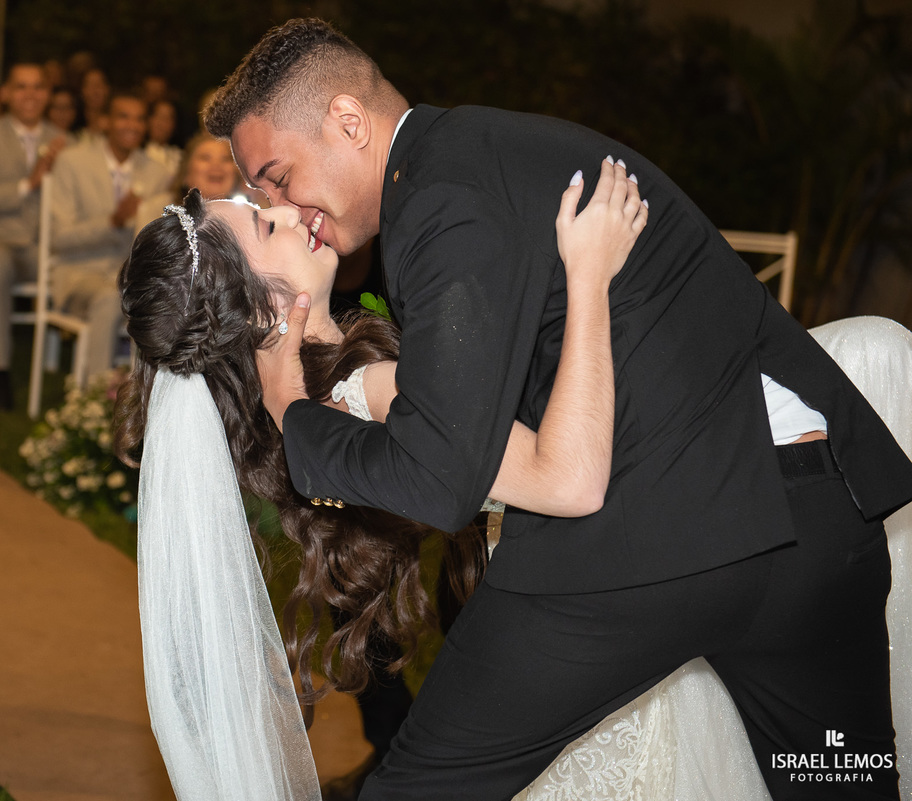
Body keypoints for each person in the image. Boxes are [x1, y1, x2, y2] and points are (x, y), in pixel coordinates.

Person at [203, 18, 912, 801]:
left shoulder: (442, 200)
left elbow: (443, 477)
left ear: (346, 121)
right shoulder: (491, 154)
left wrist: (293, 411)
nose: (283, 203)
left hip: (651, 545)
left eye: (276, 177)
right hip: (815, 526)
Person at [116, 158, 646, 798]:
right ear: (261, 312)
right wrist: (590, 273)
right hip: (601, 577)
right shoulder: (370, 391)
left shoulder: (326, 406)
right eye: (264, 224)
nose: (286, 212)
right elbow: (570, 482)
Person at [0, 63, 66, 410]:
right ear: (5, 93)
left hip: (45, 245)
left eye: (38, 87)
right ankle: (0, 374)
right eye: (21, 87)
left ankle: (87, 376)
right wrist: (27, 185)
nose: (30, 95)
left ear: (48, 95)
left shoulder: (65, 141)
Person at [48, 92, 172, 374]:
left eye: (140, 119)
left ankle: (152, 401)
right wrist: (113, 222)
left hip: (134, 278)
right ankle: (93, 397)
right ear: (105, 121)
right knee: (111, 298)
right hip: (79, 273)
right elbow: (60, 239)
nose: (133, 125)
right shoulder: (72, 162)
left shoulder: (156, 172)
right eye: (123, 116)